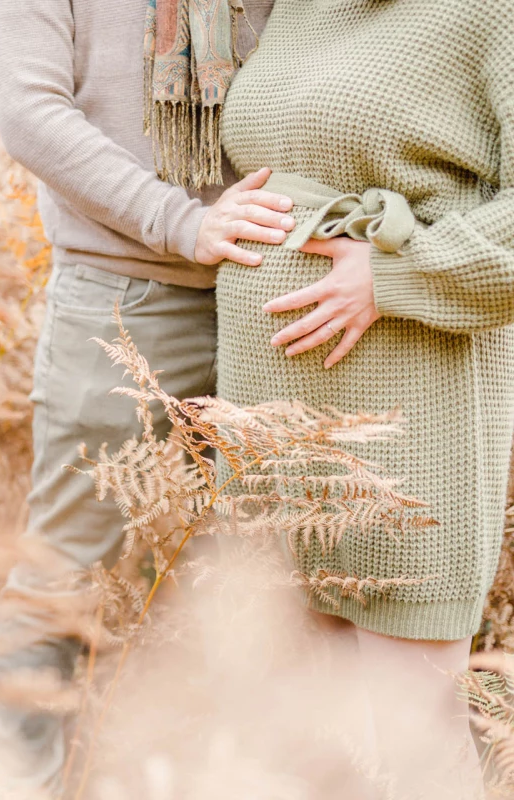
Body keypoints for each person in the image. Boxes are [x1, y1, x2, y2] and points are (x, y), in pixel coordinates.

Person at [208, 0, 514, 795]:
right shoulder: (300, 8)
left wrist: (394, 276)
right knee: (295, 731)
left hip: (412, 397)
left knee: (411, 734)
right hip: (267, 403)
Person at [0, 0, 279, 790]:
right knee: (66, 576)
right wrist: (179, 220)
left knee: (269, 579)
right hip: (124, 300)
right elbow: (30, 114)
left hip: (278, 294)